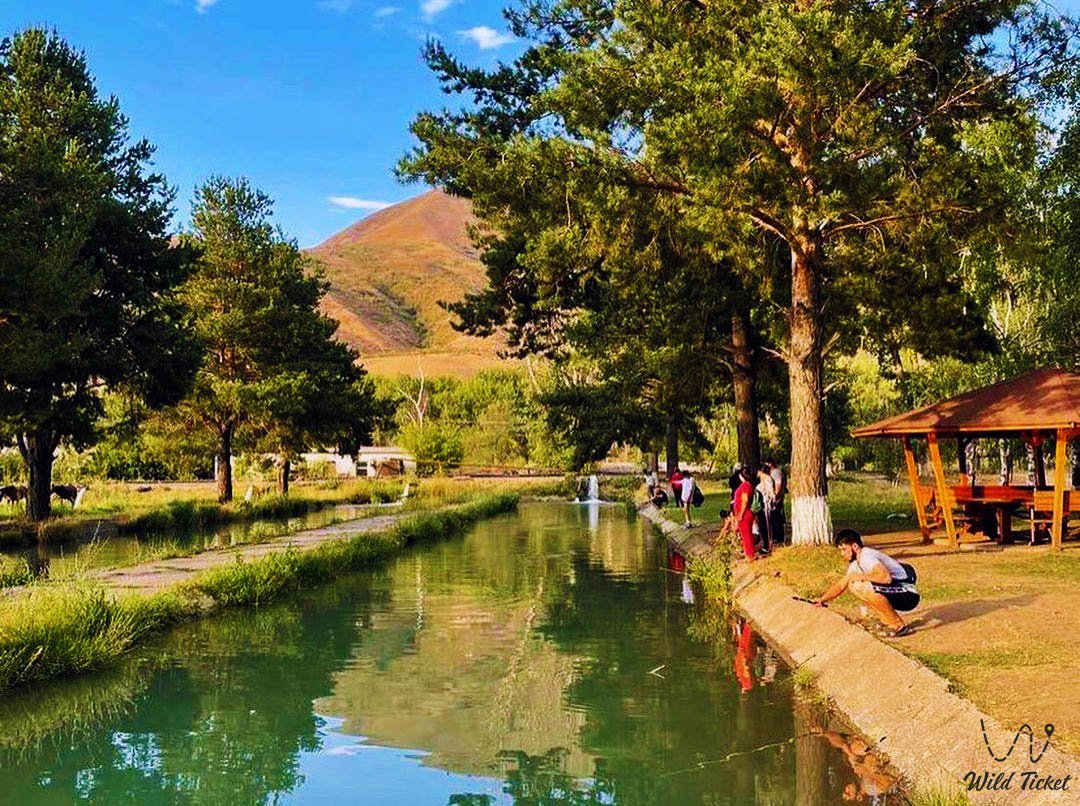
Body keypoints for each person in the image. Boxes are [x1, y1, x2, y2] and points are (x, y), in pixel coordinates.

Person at [812, 529, 919, 637]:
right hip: (897, 591)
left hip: (909, 594)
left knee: (865, 587)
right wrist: (822, 600)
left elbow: (886, 578)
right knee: (853, 585)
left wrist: (860, 576)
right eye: (840, 550)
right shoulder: (856, 563)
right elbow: (841, 585)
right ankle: (886, 621)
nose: (842, 554)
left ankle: (898, 626)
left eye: (844, 549)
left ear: (855, 546)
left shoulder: (866, 556)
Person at [728, 466, 758, 560]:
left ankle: (750, 555)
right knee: (745, 534)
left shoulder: (745, 485)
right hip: (744, 513)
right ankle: (748, 553)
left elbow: (745, 500)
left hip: (745, 514)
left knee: (746, 535)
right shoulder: (748, 484)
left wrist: (741, 513)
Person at [755, 464, 777, 553]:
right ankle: (765, 544)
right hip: (761, 505)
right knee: (762, 526)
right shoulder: (763, 480)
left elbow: (770, 492)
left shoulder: (767, 479)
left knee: (766, 526)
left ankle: (768, 546)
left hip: (765, 505)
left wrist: (771, 501)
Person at [767, 459, 786, 545]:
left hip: (776, 499)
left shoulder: (776, 473)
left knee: (776, 517)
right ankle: (776, 536)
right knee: (774, 517)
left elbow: (779, 484)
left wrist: (776, 496)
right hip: (774, 498)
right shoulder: (773, 473)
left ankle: (779, 537)